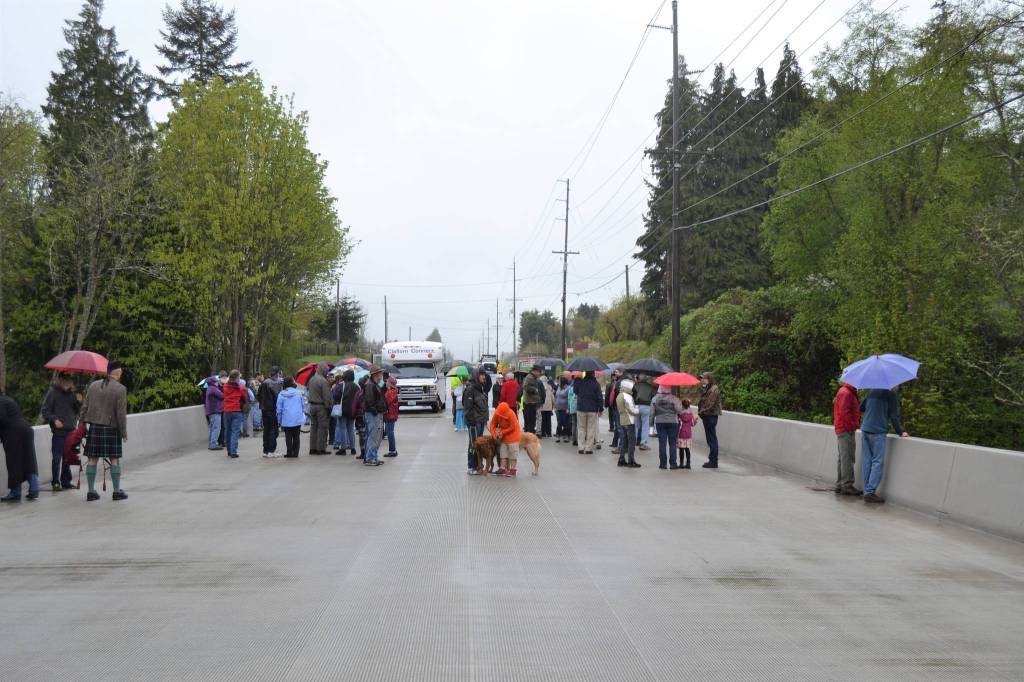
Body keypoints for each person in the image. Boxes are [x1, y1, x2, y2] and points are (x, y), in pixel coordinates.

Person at [79, 361, 128, 501]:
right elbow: (121, 414)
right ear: (118, 373)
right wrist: (124, 433)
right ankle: (117, 491)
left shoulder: (93, 385)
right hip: (111, 429)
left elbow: (85, 407)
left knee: (92, 459)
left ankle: (90, 491)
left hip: (94, 428)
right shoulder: (120, 389)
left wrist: (81, 424)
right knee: (114, 459)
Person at [859, 388, 909, 504]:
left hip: (865, 429)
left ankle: (867, 491)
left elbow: (861, 408)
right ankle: (870, 492)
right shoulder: (891, 395)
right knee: (877, 462)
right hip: (878, 432)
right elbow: (894, 416)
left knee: (867, 461)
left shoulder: (872, 391)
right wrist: (901, 432)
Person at [41, 372, 80, 491]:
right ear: (59, 380)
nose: (67, 382)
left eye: (69, 380)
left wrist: (79, 401)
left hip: (71, 431)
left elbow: (78, 411)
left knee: (68, 458)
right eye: (65, 380)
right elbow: (45, 411)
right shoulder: (53, 393)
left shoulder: (73, 395)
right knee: (57, 458)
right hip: (59, 433)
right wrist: (54, 420)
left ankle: (66, 482)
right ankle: (55, 482)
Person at [0, 393, 40, 501]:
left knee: (14, 462)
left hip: (13, 433)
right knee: (29, 460)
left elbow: (2, 420)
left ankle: (15, 492)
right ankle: (34, 489)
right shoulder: (8, 399)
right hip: (26, 429)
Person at [833, 382, 862, 496]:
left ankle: (840, 484)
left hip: (842, 428)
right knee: (848, 457)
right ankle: (847, 485)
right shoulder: (847, 393)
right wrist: (853, 425)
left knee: (843, 457)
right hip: (846, 429)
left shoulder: (845, 391)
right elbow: (845, 413)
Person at [463, 369, 490, 474]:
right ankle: (471, 467)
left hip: (480, 421)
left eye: (484, 374)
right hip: (474, 423)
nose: (484, 377)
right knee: (473, 444)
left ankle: (478, 465)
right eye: (482, 375)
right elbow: (467, 408)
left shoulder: (480, 388)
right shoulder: (470, 389)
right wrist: (471, 422)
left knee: (478, 444)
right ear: (476, 376)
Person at [652, 384, 683, 469]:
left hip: (660, 422)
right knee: (672, 443)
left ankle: (663, 464)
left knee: (662, 443)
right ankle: (673, 464)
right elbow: (679, 410)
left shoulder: (655, 398)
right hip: (673, 422)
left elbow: (652, 412)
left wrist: (650, 424)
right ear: (669, 389)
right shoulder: (674, 398)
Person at [362, 366, 387, 466]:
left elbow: (378, 397)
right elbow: (370, 400)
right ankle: (370, 458)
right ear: (375, 374)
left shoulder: (374, 384)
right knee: (373, 436)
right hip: (372, 414)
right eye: (380, 373)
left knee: (376, 436)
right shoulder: (370, 385)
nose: (381, 375)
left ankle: (373, 456)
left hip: (375, 413)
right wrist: (375, 410)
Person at [257, 367, 284, 457]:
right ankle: (271, 450)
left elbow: (258, 395)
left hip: (264, 409)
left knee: (266, 430)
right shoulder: (274, 384)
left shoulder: (264, 383)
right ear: (277, 374)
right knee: (274, 430)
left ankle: (266, 450)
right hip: (272, 410)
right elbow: (277, 398)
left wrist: (262, 404)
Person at [574, 371, 603, 454]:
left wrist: (577, 379)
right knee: (591, 428)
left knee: (581, 428)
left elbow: (575, 391)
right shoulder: (596, 384)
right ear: (593, 374)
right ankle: (588, 448)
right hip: (592, 409)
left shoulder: (579, 382)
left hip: (581, 408)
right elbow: (600, 397)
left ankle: (581, 447)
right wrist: (600, 409)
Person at [489, 401, 521, 477]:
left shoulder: (511, 414)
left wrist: (502, 432)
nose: (501, 416)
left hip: (513, 436)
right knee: (503, 453)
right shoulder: (497, 413)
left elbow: (513, 427)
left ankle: (512, 470)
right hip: (504, 436)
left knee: (513, 454)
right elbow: (492, 424)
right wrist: (493, 434)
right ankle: (502, 469)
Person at [306, 362, 332, 455]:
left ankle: (312, 448)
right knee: (322, 428)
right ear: (323, 370)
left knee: (313, 427)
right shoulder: (323, 381)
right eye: (326, 370)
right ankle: (321, 449)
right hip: (321, 407)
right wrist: (328, 407)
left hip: (312, 406)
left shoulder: (311, 379)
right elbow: (326, 397)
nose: (327, 372)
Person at [697, 372, 722, 468]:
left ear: (709, 379)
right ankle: (712, 459)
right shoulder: (708, 388)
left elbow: (710, 404)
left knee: (712, 439)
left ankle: (713, 461)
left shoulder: (714, 389)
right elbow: (702, 400)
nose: (702, 380)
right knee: (710, 439)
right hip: (707, 415)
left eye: (703, 378)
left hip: (710, 416)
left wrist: (700, 412)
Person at [221, 370, 248, 459]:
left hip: (227, 411)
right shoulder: (241, 387)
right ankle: (233, 451)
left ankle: (229, 450)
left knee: (227, 431)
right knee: (235, 432)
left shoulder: (225, 386)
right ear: (236, 378)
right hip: (236, 411)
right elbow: (245, 397)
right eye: (239, 377)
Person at [276, 377, 304, 458]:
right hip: (297, 418)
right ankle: (296, 453)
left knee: (288, 436)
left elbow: (279, 409)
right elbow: (302, 405)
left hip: (286, 419)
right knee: (296, 436)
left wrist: (279, 420)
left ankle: (289, 452)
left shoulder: (281, 394)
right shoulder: (298, 393)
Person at [615, 379, 640, 468]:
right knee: (632, 441)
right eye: (632, 387)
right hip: (629, 420)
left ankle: (621, 460)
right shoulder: (627, 396)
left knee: (625, 440)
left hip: (622, 419)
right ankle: (631, 461)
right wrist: (638, 409)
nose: (633, 389)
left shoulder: (619, 395)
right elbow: (632, 410)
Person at [333, 369, 358, 455]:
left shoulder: (341, 386)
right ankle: (353, 448)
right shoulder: (356, 386)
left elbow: (335, 396)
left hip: (343, 410)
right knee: (351, 429)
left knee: (342, 428)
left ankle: (343, 448)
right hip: (352, 410)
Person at [520, 365, 545, 434]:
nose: (539, 374)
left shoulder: (532, 377)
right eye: (539, 372)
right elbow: (526, 387)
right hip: (530, 403)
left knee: (531, 422)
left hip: (532, 402)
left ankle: (529, 435)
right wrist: (535, 390)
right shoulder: (530, 377)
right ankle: (529, 436)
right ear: (535, 371)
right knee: (531, 422)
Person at [633, 374, 655, 451]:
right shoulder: (650, 386)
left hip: (636, 406)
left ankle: (632, 442)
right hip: (646, 406)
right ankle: (643, 443)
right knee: (645, 426)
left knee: (636, 425)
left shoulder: (635, 385)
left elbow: (633, 395)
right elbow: (653, 396)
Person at [205, 375, 224, 451]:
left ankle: (211, 443)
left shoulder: (209, 388)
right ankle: (213, 444)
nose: (217, 382)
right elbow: (222, 395)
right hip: (215, 411)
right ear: (213, 382)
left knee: (212, 428)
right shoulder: (213, 389)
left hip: (211, 411)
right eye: (216, 381)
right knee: (216, 428)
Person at [677, 399, 697, 469]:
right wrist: (696, 420)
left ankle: (681, 463)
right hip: (688, 434)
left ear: (682, 405)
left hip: (681, 434)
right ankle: (688, 464)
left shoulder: (680, 415)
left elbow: (678, 424)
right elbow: (692, 424)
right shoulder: (691, 414)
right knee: (687, 449)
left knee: (681, 449)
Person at [606, 369, 622, 453]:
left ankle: (621, 446)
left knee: (619, 427)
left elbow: (613, 394)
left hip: (618, 406)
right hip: (615, 406)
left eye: (616, 372)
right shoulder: (616, 382)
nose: (615, 374)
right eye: (614, 373)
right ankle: (615, 443)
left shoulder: (619, 383)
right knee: (617, 426)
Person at [383, 376, 399, 457]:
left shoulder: (391, 392)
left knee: (390, 433)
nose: (385, 383)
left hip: (390, 415)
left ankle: (392, 450)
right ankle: (392, 450)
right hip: (391, 414)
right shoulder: (392, 391)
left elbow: (387, 401)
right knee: (390, 432)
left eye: (386, 381)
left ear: (389, 383)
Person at [554, 376, 570, 443]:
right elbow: (556, 396)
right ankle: (558, 435)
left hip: (565, 408)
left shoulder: (568, 388)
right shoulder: (559, 387)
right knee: (559, 422)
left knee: (565, 423)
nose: (558, 381)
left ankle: (566, 436)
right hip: (558, 408)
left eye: (560, 380)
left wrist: (568, 408)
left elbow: (569, 399)